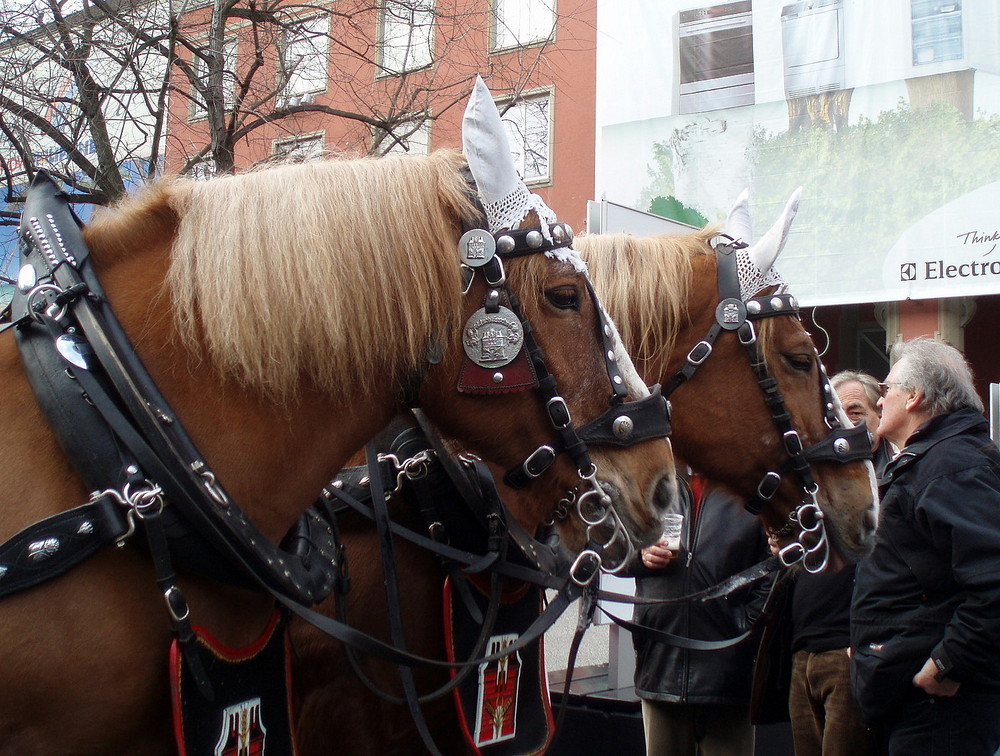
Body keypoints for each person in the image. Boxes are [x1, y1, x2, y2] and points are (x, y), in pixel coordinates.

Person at [851, 337, 1000, 755]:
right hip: (911, 698)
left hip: (938, 705)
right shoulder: (936, 460)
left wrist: (947, 663)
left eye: (886, 390)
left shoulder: (951, 465)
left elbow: (993, 582)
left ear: (914, 396)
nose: (880, 402)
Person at [784, 370, 887, 756]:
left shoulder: (891, 480)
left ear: (880, 414)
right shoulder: (816, 484)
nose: (846, 424)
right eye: (837, 415)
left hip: (849, 656)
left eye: (856, 412)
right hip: (801, 655)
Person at [632, 471, 771, 756]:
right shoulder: (651, 480)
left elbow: (774, 566)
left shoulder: (749, 486)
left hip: (727, 672)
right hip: (662, 664)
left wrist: (746, 625)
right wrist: (640, 556)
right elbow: (611, 551)